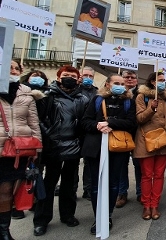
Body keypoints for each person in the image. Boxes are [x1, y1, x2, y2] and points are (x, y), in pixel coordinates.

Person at [33, 65, 89, 237]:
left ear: (78, 79)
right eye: (66, 75)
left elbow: (85, 122)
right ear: (58, 77)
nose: (69, 77)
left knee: (69, 184)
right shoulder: (47, 96)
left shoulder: (83, 99)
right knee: (49, 183)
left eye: (73, 75)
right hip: (53, 146)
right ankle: (41, 220)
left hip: (73, 146)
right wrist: (48, 135)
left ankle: (68, 215)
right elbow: (38, 119)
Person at [81, 73, 137, 234]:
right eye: (116, 82)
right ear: (107, 84)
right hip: (95, 148)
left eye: (122, 83)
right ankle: (97, 216)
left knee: (113, 183)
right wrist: (98, 126)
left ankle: (108, 215)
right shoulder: (97, 100)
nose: (120, 85)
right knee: (96, 185)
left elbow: (132, 123)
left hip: (118, 148)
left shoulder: (128, 102)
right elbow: (85, 121)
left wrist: (111, 123)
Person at [0, 60, 41, 240]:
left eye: (17, 68)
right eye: (9, 68)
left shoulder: (27, 94)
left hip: (17, 150)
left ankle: (4, 229)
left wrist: (36, 147)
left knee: (7, 190)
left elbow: (34, 123)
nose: (14, 71)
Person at [133, 72, 166, 220]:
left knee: (159, 175)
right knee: (147, 175)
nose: (163, 83)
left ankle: (155, 205)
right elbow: (139, 119)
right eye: (160, 80)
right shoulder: (142, 97)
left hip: (165, 141)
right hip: (146, 141)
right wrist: (151, 108)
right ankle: (146, 205)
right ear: (152, 81)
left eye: (164, 80)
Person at [116, 70, 141, 207]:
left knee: (138, 163)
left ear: (136, 81)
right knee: (121, 164)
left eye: (132, 77)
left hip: (137, 133)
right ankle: (122, 193)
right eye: (127, 77)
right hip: (121, 133)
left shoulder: (142, 94)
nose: (130, 79)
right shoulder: (117, 93)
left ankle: (140, 192)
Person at [79, 66, 99, 201]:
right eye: (85, 75)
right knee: (72, 165)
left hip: (90, 131)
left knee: (89, 162)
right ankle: (71, 189)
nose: (88, 78)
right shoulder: (75, 90)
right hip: (76, 131)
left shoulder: (97, 93)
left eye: (90, 76)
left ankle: (88, 189)